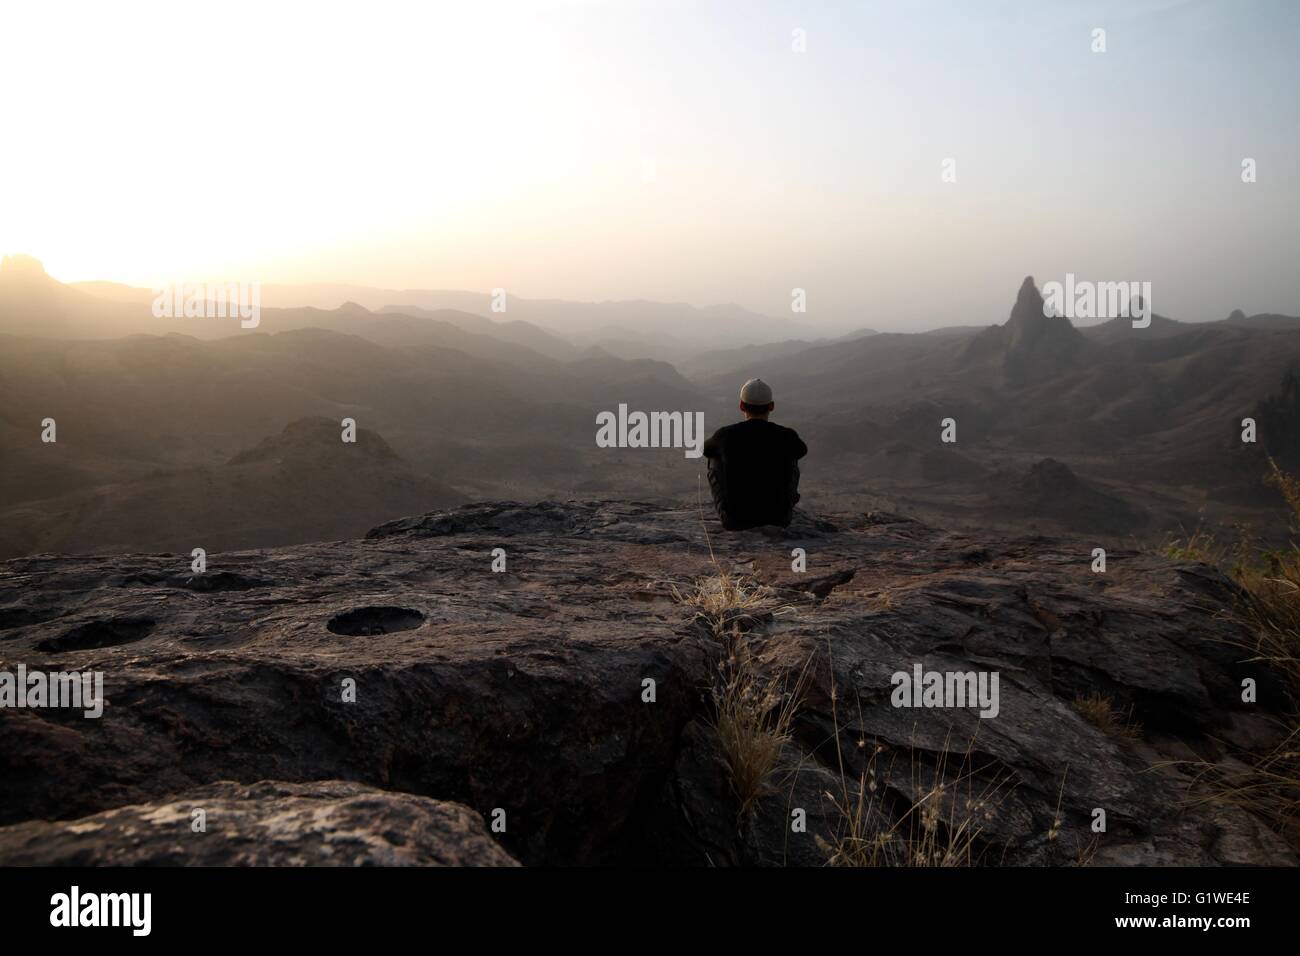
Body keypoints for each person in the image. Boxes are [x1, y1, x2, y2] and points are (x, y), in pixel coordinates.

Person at [703, 378, 807, 530]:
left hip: (735, 521)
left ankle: (731, 506)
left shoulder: (725, 435)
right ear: (771, 406)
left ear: (741, 406)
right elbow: (802, 451)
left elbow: (706, 450)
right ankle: (785, 501)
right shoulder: (787, 435)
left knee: (714, 457)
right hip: (779, 519)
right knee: (791, 454)